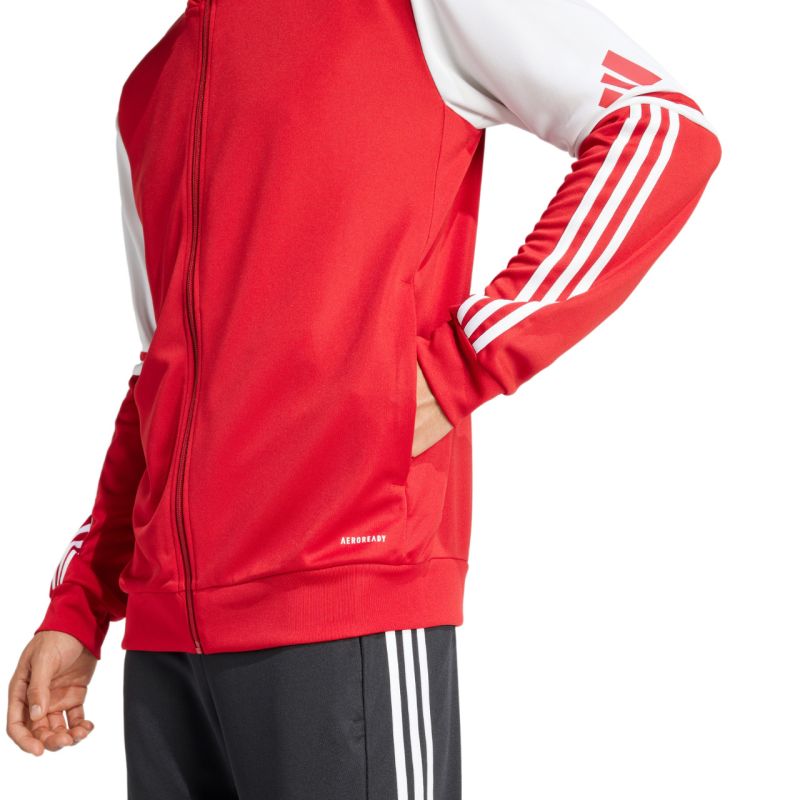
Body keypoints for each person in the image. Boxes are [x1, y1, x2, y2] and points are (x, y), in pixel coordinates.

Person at [6, 0, 721, 797]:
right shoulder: (148, 89)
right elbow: (163, 375)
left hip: (342, 593)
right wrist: (80, 605)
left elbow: (661, 129)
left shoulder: (407, 9)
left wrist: (462, 365)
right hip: (166, 647)